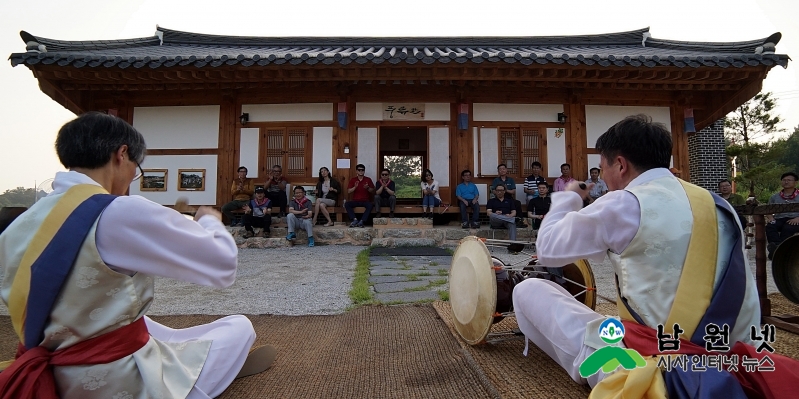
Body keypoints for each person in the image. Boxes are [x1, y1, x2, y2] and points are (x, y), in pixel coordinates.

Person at [511, 115, 794, 396]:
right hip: (737, 359)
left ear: (620, 164)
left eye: (602, 167)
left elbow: (547, 250)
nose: (604, 178)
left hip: (661, 369)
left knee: (528, 289)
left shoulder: (622, 203)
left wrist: (569, 197)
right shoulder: (717, 203)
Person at [0, 112, 272, 399]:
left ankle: (191, 360)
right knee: (239, 326)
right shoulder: (118, 211)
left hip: (47, 363)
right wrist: (209, 220)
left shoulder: (22, 224)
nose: (132, 177)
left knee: (143, 321)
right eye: (136, 168)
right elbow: (222, 264)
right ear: (122, 154)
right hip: (114, 377)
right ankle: (195, 383)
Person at [766, 172, 799, 259]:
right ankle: (777, 248)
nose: (786, 182)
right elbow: (768, 210)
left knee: (788, 228)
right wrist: (771, 218)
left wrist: (798, 218)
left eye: (789, 180)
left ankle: (778, 251)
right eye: (784, 180)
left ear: (795, 182)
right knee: (770, 226)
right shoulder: (774, 197)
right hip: (779, 218)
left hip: (795, 219)